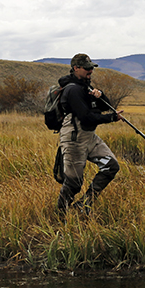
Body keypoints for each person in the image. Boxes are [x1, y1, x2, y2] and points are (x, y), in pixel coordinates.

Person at [56, 53, 123, 215]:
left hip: (90, 137)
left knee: (111, 166)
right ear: (76, 68)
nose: (90, 71)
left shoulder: (86, 87)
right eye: (87, 68)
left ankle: (83, 205)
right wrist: (112, 118)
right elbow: (86, 117)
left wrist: (100, 96)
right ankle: (60, 213)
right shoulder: (72, 90)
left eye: (91, 68)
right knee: (74, 183)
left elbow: (107, 105)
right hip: (74, 139)